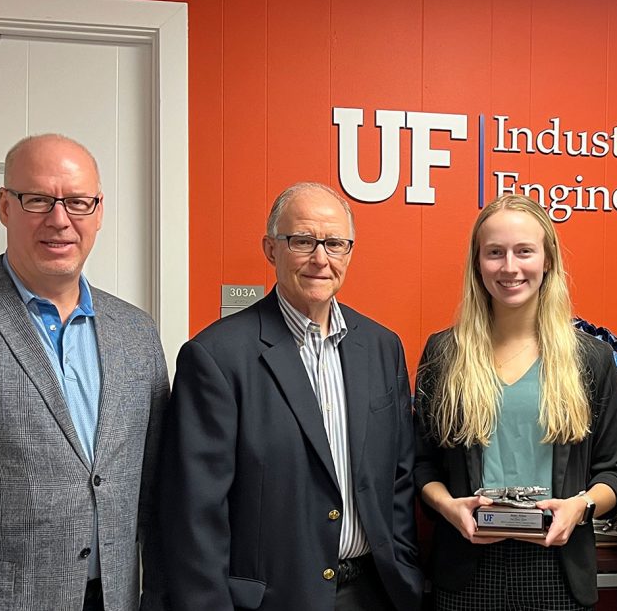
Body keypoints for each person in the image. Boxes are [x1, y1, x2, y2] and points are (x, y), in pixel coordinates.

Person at [158, 182, 422, 611]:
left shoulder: (381, 347)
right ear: (270, 249)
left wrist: (403, 568)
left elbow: (400, 476)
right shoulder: (217, 357)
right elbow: (195, 513)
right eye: (302, 241)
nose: (321, 258)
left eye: (334, 244)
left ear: (349, 252)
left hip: (373, 594)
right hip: (271, 601)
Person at [0, 134, 168, 611]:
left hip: (116, 598)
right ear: (5, 206)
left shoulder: (137, 333)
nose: (60, 220)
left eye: (78, 202)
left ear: (98, 212)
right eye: (39, 199)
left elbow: (154, 485)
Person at [413, 194, 617, 610]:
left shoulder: (590, 359)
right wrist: (449, 507)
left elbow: (616, 471)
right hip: (466, 570)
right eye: (495, 252)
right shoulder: (445, 353)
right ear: (478, 263)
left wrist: (580, 507)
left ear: (548, 260)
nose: (509, 267)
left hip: (559, 570)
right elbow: (422, 464)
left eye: (524, 251)